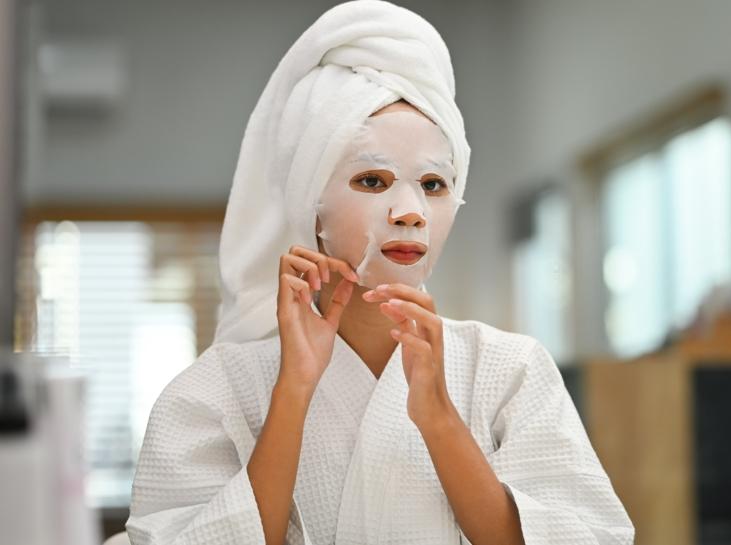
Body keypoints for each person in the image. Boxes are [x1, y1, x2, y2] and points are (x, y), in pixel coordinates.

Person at [125, 1, 634, 544]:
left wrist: (439, 418)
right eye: (372, 180)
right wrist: (293, 390)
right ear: (310, 204)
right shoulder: (217, 389)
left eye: (433, 185)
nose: (410, 212)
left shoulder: (511, 370)